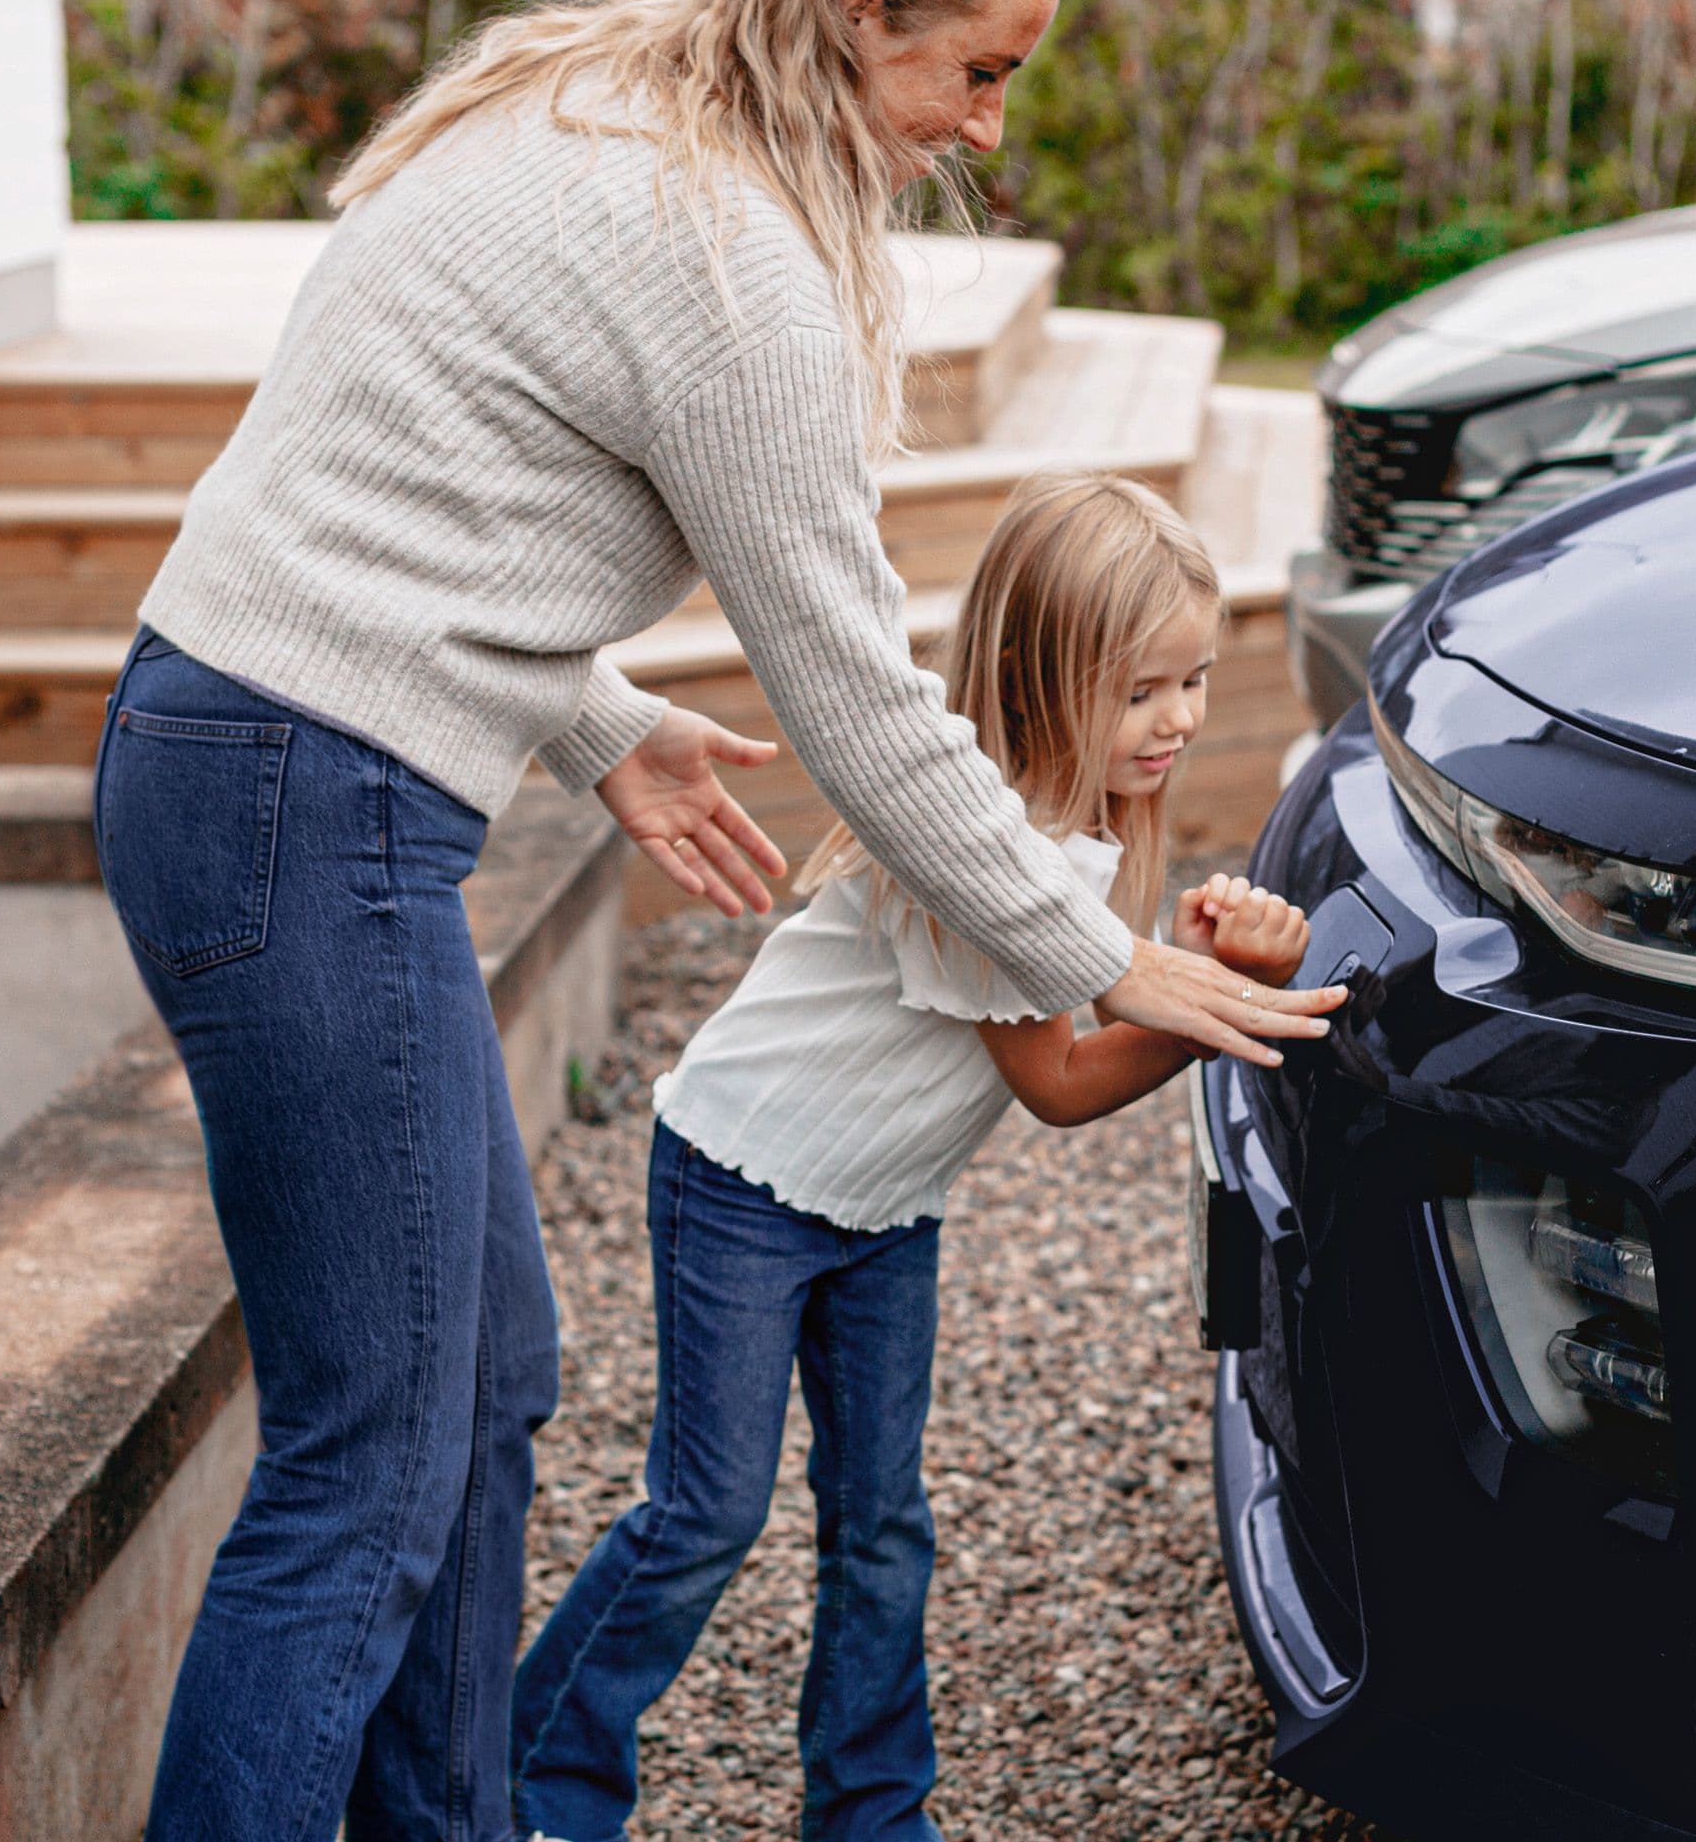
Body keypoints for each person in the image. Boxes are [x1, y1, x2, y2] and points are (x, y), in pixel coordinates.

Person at [87, 0, 1344, 1832]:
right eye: (978, 70)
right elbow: (860, 702)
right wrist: (1103, 944)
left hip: (269, 764)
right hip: (294, 804)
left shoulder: (594, 114)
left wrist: (587, 717)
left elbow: (387, 482)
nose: (989, 130)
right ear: (858, 14)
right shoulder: (731, 254)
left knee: (480, 1393)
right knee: (370, 1453)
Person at [508, 476, 1312, 1842]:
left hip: (883, 1206)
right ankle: (533, 1779)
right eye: (1140, 692)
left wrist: (1196, 961)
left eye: (1194, 680)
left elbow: (1097, 988)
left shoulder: (1077, 840)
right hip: (745, 1178)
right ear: (1033, 678)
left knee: (881, 1519)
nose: (1178, 720)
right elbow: (1057, 1080)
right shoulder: (965, 853)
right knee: (707, 1507)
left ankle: (874, 1809)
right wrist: (1209, 1006)